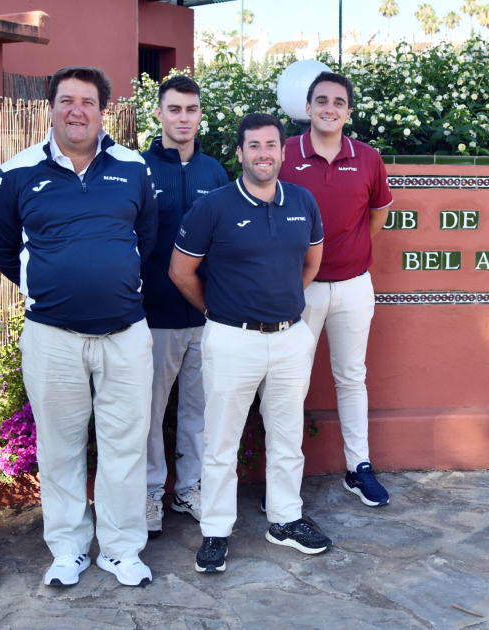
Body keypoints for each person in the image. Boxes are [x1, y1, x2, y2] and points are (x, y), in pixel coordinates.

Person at [0, 66, 158, 586]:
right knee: (59, 445)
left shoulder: (133, 168)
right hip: (51, 337)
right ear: (51, 107)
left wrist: (111, 279)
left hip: (125, 333)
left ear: (103, 110)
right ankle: (68, 547)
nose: (76, 110)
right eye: (66, 100)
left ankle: (122, 548)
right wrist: (49, 284)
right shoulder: (15, 172)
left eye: (87, 101)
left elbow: (144, 241)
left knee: (125, 444)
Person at [169, 113, 333, 573]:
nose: (264, 154)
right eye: (254, 146)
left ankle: (285, 519)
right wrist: (218, 313)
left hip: (288, 338)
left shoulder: (302, 201)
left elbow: (311, 264)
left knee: (287, 436)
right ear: (239, 153)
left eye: (271, 145)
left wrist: (281, 306)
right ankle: (216, 530)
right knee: (221, 440)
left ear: (283, 151)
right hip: (230, 338)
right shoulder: (214, 206)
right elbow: (181, 271)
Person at [279, 71, 394, 507]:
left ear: (348, 111)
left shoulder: (367, 157)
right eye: (321, 100)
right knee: (291, 381)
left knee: (352, 377)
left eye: (338, 102)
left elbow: (376, 215)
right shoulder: (285, 153)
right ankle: (286, 474)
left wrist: (352, 251)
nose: (330, 108)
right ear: (307, 108)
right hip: (297, 288)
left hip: (353, 286)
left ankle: (358, 467)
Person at [140, 75, 229, 538]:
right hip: (154, 316)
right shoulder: (137, 168)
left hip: (207, 315)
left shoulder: (215, 172)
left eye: (191, 109)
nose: (183, 118)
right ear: (158, 113)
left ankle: (188, 488)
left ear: (199, 115)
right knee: (150, 413)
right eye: (174, 109)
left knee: (199, 411)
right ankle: (151, 493)